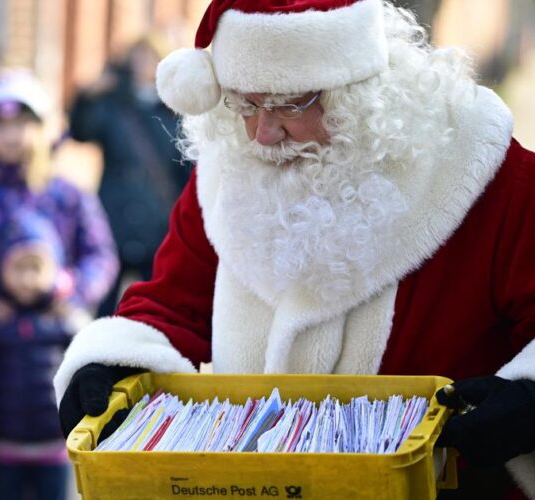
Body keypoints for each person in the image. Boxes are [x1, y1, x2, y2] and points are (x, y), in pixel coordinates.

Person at [54, 1, 535, 498]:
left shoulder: (486, 172)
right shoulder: (228, 169)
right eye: (245, 104)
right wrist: (116, 361)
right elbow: (174, 302)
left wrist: (526, 398)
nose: (264, 133)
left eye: (288, 103)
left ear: (358, 91)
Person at [0, 72, 118, 334]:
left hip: (51, 334)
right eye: (1, 127)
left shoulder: (67, 194)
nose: (11, 136)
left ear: (40, 129)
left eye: (21, 125)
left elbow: (100, 255)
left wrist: (72, 294)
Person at [69, 34, 191, 316]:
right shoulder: (114, 104)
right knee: (103, 308)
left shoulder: (177, 111)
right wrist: (88, 95)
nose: (143, 64)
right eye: (138, 56)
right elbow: (82, 131)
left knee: (155, 308)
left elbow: (187, 169)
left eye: (150, 57)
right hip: (114, 214)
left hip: (159, 219)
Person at [0, 209, 84, 500]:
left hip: (54, 445)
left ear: (55, 272)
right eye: (18, 268)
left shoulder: (66, 321)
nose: (26, 279)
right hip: (3, 445)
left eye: (35, 268)